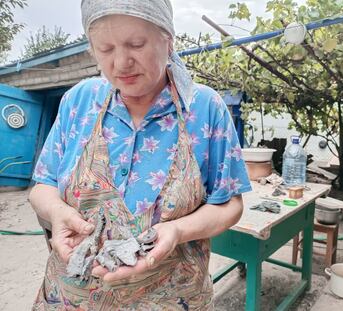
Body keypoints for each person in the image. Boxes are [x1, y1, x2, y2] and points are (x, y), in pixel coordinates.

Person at [29, 0, 252, 310]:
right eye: (105, 49)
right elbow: (43, 185)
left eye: (136, 44)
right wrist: (55, 211)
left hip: (172, 297)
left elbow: (229, 204)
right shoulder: (78, 101)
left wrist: (176, 230)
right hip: (71, 298)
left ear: (168, 40)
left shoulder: (204, 109)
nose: (121, 63)